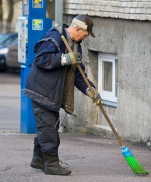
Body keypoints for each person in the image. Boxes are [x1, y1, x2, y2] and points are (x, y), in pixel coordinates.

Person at [24, 15, 103, 175]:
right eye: (85, 35)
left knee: (49, 127)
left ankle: (39, 160)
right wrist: (64, 58)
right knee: (49, 131)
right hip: (42, 91)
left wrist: (90, 90)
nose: (85, 38)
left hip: (53, 94)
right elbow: (40, 59)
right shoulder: (55, 36)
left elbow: (78, 75)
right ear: (78, 29)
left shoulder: (76, 46)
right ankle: (52, 165)